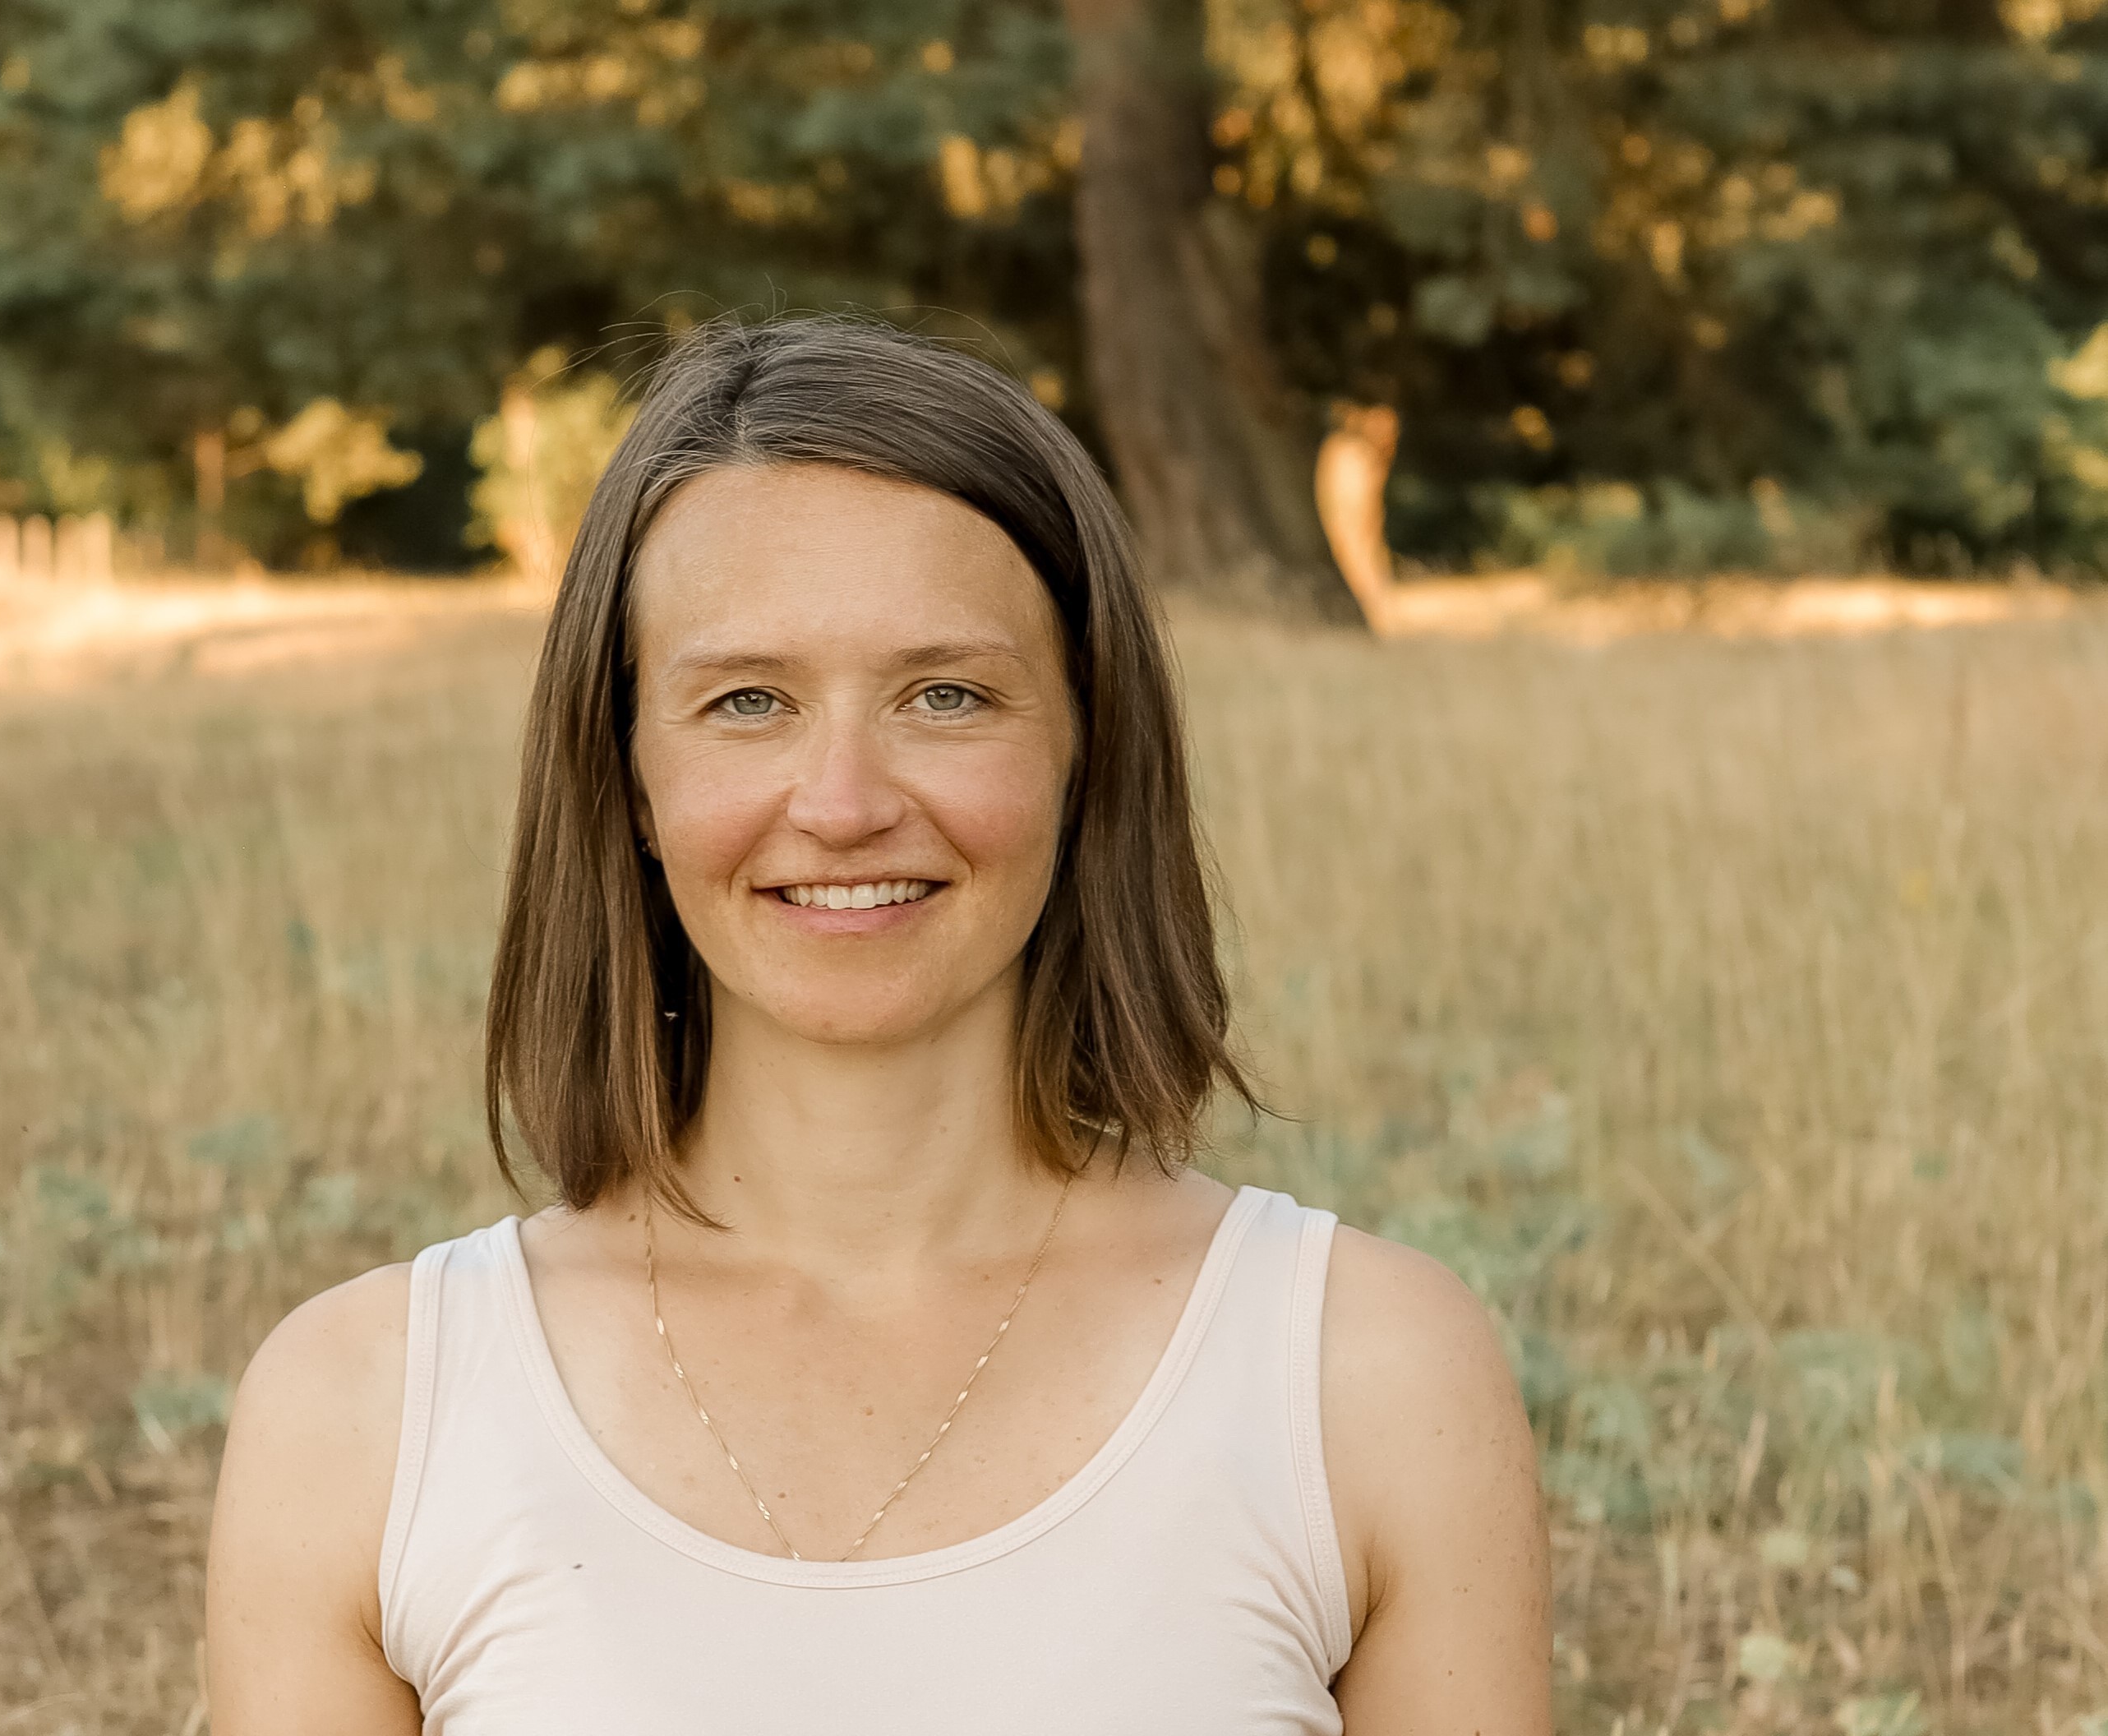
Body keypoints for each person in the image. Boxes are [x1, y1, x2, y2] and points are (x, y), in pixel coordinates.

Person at [205, 314, 1550, 1734]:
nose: (843, 802)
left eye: (946, 695)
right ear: (629, 773)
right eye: (746, 702)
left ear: (1088, 745)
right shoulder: (363, 1412)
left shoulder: (1367, 1375)